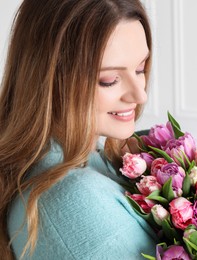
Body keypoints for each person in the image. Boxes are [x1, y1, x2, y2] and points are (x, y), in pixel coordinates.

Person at [0, 0, 158, 259]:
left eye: (140, 68)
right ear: (51, 80)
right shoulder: (76, 202)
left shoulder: (86, 156)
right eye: (109, 80)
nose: (140, 95)